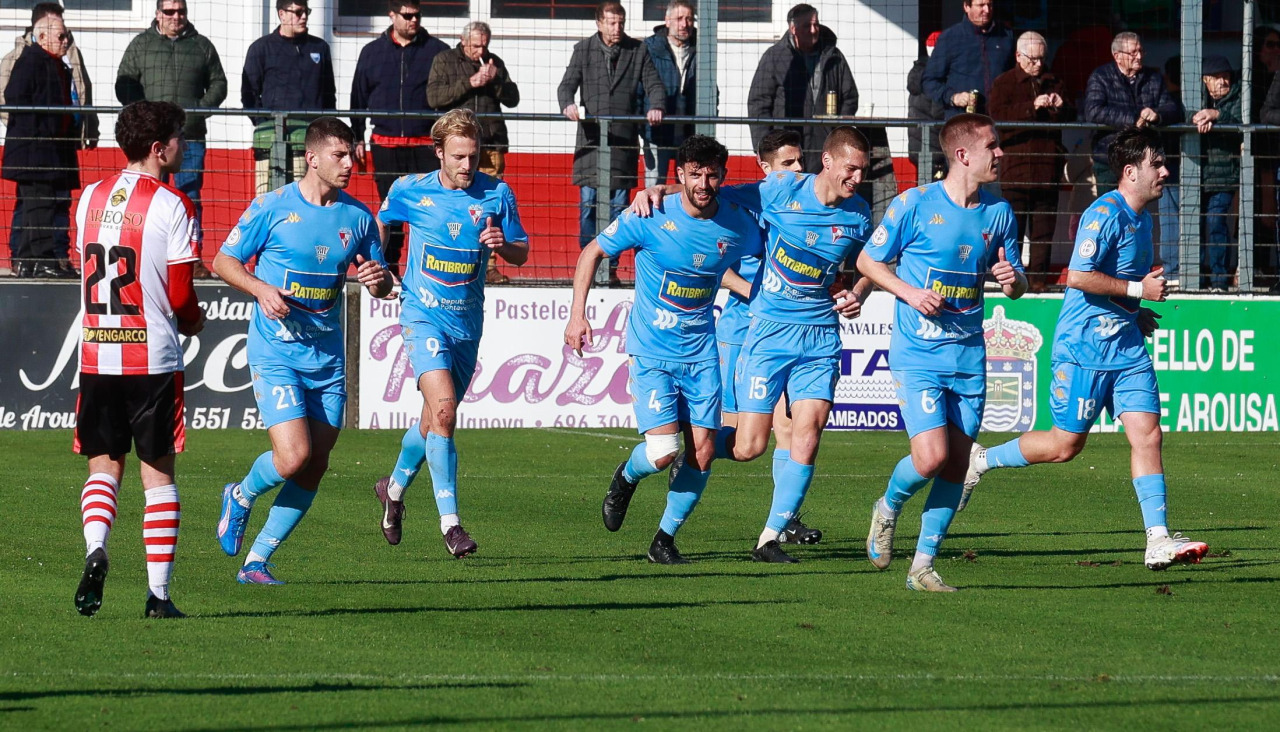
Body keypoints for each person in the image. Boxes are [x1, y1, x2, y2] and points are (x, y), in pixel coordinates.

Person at [962, 127, 1210, 572]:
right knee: (1064, 445)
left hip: (1126, 347)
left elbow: (1114, 284)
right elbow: (1077, 276)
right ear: (1130, 172)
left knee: (1148, 434)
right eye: (1157, 163)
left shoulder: (1144, 218)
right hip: (1084, 349)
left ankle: (1157, 539)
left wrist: (1134, 311)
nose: (1165, 171)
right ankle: (980, 460)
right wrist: (1139, 289)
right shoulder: (1104, 214)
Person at [633, 127, 871, 563]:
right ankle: (697, 452)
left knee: (807, 433)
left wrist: (859, 291)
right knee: (749, 447)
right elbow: (709, 193)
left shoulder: (858, 215)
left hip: (820, 336)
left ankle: (770, 537)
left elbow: (872, 259)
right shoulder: (779, 191)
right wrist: (661, 188)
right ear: (830, 162)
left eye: (863, 170)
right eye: (851, 168)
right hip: (767, 334)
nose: (857, 178)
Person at [565, 134, 763, 564]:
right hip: (652, 350)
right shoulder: (649, 214)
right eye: (695, 175)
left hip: (701, 352)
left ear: (723, 176)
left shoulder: (738, 224)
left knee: (704, 450)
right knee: (662, 453)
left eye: (712, 175)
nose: (704, 184)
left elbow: (771, 252)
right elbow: (591, 252)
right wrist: (577, 314)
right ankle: (625, 477)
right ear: (679, 174)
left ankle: (664, 540)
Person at [213, 117, 392, 585]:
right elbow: (223, 260)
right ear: (312, 158)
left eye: (351, 154)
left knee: (316, 462)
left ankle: (257, 562)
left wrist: (379, 281)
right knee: (292, 456)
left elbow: (383, 278)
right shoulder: (270, 206)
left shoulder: (358, 218)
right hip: (277, 353)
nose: (350, 164)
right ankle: (242, 495)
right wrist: (258, 288)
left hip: (328, 359)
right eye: (339, 155)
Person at [858, 113, 1026, 592]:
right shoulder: (914, 204)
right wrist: (909, 293)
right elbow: (869, 260)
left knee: (956, 463)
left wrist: (1016, 283)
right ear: (962, 155)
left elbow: (1015, 281)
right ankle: (888, 507)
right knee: (930, 457)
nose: (1000, 154)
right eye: (992, 145)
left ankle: (923, 566)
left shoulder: (999, 214)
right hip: (919, 354)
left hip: (969, 355)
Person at [370, 109, 529, 558]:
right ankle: (451, 525)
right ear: (438, 151)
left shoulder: (497, 194)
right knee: (443, 412)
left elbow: (520, 252)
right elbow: (382, 222)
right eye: (458, 156)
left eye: (473, 157)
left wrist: (505, 246)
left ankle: (393, 491)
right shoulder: (409, 190)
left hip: (467, 325)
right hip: (422, 316)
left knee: (431, 421)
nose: (466, 165)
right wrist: (377, 261)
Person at [71, 100, 205, 619]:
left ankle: (95, 549)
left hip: (96, 353)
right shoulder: (172, 205)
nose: (184, 146)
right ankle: (158, 596)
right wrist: (196, 321)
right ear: (158, 148)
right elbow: (178, 296)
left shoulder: (88, 199)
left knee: (103, 468)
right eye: (178, 137)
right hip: (151, 358)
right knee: (159, 477)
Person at [715, 128, 821, 546]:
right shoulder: (741, 204)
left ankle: (785, 520)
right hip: (742, 330)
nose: (798, 170)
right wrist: (757, 294)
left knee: (790, 427)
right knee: (736, 437)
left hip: (784, 332)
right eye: (787, 164)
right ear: (765, 168)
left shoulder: (806, 204)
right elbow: (717, 267)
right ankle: (688, 455)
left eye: (800, 161)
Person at [557, 0, 666, 286]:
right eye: (611, 22)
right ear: (599, 23)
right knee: (588, 206)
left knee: (619, 208)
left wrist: (656, 106)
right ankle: (588, 268)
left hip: (622, 142)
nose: (617, 28)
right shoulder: (583, 50)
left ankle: (612, 269)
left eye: (620, 22)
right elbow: (566, 85)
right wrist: (567, 104)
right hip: (591, 142)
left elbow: (654, 83)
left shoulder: (638, 49)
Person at [116, 0, 227, 256]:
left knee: (189, 194)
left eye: (181, 11)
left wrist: (196, 113)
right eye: (169, 11)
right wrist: (145, 117)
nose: (176, 16)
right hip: (151, 140)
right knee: (148, 194)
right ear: (158, 14)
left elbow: (219, 84)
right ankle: (148, 251)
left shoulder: (201, 45)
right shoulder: (141, 45)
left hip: (190, 137)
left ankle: (191, 254)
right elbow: (124, 84)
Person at [0, 1, 97, 278]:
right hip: (37, 151)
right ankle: (39, 259)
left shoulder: (56, 64)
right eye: (61, 36)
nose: (66, 40)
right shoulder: (31, 61)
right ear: (42, 37)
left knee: (49, 203)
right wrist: (43, 129)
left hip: (53, 151)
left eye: (67, 35)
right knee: (38, 205)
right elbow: (14, 98)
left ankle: (39, 258)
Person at [353, 0, 450, 276]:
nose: (413, 20)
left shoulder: (438, 51)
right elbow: (357, 98)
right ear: (392, 15)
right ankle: (389, 267)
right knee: (391, 211)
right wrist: (357, 136)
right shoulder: (372, 52)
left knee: (429, 211)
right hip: (385, 144)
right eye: (407, 16)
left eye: (417, 15)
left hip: (425, 145)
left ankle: (429, 268)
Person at [427, 20, 519, 284]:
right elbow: (434, 98)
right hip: (456, 146)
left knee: (489, 204)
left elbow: (513, 99)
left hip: (490, 142)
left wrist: (496, 82)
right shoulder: (444, 60)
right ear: (463, 40)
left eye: (485, 44)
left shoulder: (494, 61)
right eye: (476, 45)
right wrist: (471, 82)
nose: (482, 50)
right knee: (456, 201)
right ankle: (454, 255)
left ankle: (488, 265)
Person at [988, 31, 1074, 291]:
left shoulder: (1054, 81)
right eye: (1032, 59)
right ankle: (1011, 281)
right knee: (1012, 232)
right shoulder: (1004, 83)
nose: (1038, 64)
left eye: (1041, 59)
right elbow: (997, 117)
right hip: (1016, 170)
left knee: (1043, 233)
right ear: (1018, 56)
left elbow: (1073, 113)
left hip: (1047, 168)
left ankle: (1038, 283)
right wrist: (1031, 107)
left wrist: (1060, 105)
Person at [746, 3, 858, 173]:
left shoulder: (834, 57)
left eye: (816, 25)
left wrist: (837, 132)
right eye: (807, 25)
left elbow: (850, 96)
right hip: (785, 146)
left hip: (825, 145)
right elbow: (758, 104)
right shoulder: (774, 57)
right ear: (793, 29)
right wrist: (763, 147)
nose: (813, 30)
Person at [242, 0, 336, 195]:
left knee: (308, 197)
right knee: (269, 199)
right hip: (271, 138)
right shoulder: (261, 49)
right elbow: (248, 93)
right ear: (281, 14)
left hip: (311, 139)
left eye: (306, 12)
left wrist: (325, 130)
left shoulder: (319, 47)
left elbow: (329, 94)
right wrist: (263, 124)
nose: (304, 17)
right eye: (298, 12)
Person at [1081, 32, 1180, 195]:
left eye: (1141, 51)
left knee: (1137, 211)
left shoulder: (1153, 78)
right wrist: (1135, 118)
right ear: (1117, 56)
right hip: (1109, 158)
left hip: (1143, 160)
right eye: (1133, 52)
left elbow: (1171, 107)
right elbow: (1093, 111)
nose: (1139, 56)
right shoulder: (1100, 77)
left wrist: (1156, 115)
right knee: (1111, 208)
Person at [640, 0, 701, 187]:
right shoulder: (649, 48)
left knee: (688, 187)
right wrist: (642, 126)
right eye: (679, 18)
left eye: (689, 19)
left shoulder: (702, 48)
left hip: (691, 131)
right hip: (657, 130)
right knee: (655, 187)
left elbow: (711, 90)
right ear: (667, 21)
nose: (685, 24)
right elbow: (638, 89)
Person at [1192, 55, 1241, 292]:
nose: (1223, 82)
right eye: (1217, 77)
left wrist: (1217, 116)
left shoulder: (1239, 97)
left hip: (1224, 175)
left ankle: (1219, 282)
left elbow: (1243, 121)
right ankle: (1197, 280)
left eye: (1227, 77)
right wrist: (1197, 117)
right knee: (1194, 226)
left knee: (1216, 223)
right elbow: (1182, 114)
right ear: (1205, 80)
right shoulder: (1193, 97)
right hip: (1194, 175)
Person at [923, 0, 1013, 119]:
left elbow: (1015, 75)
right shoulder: (950, 37)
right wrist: (953, 97)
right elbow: (929, 81)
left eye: (990, 5)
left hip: (999, 122)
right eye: (981, 5)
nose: (987, 10)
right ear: (966, 6)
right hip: (963, 120)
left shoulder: (1006, 36)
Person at [908, 31, 946, 181]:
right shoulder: (938, 75)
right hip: (937, 145)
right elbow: (938, 112)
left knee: (924, 189)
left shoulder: (917, 72)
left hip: (918, 142)